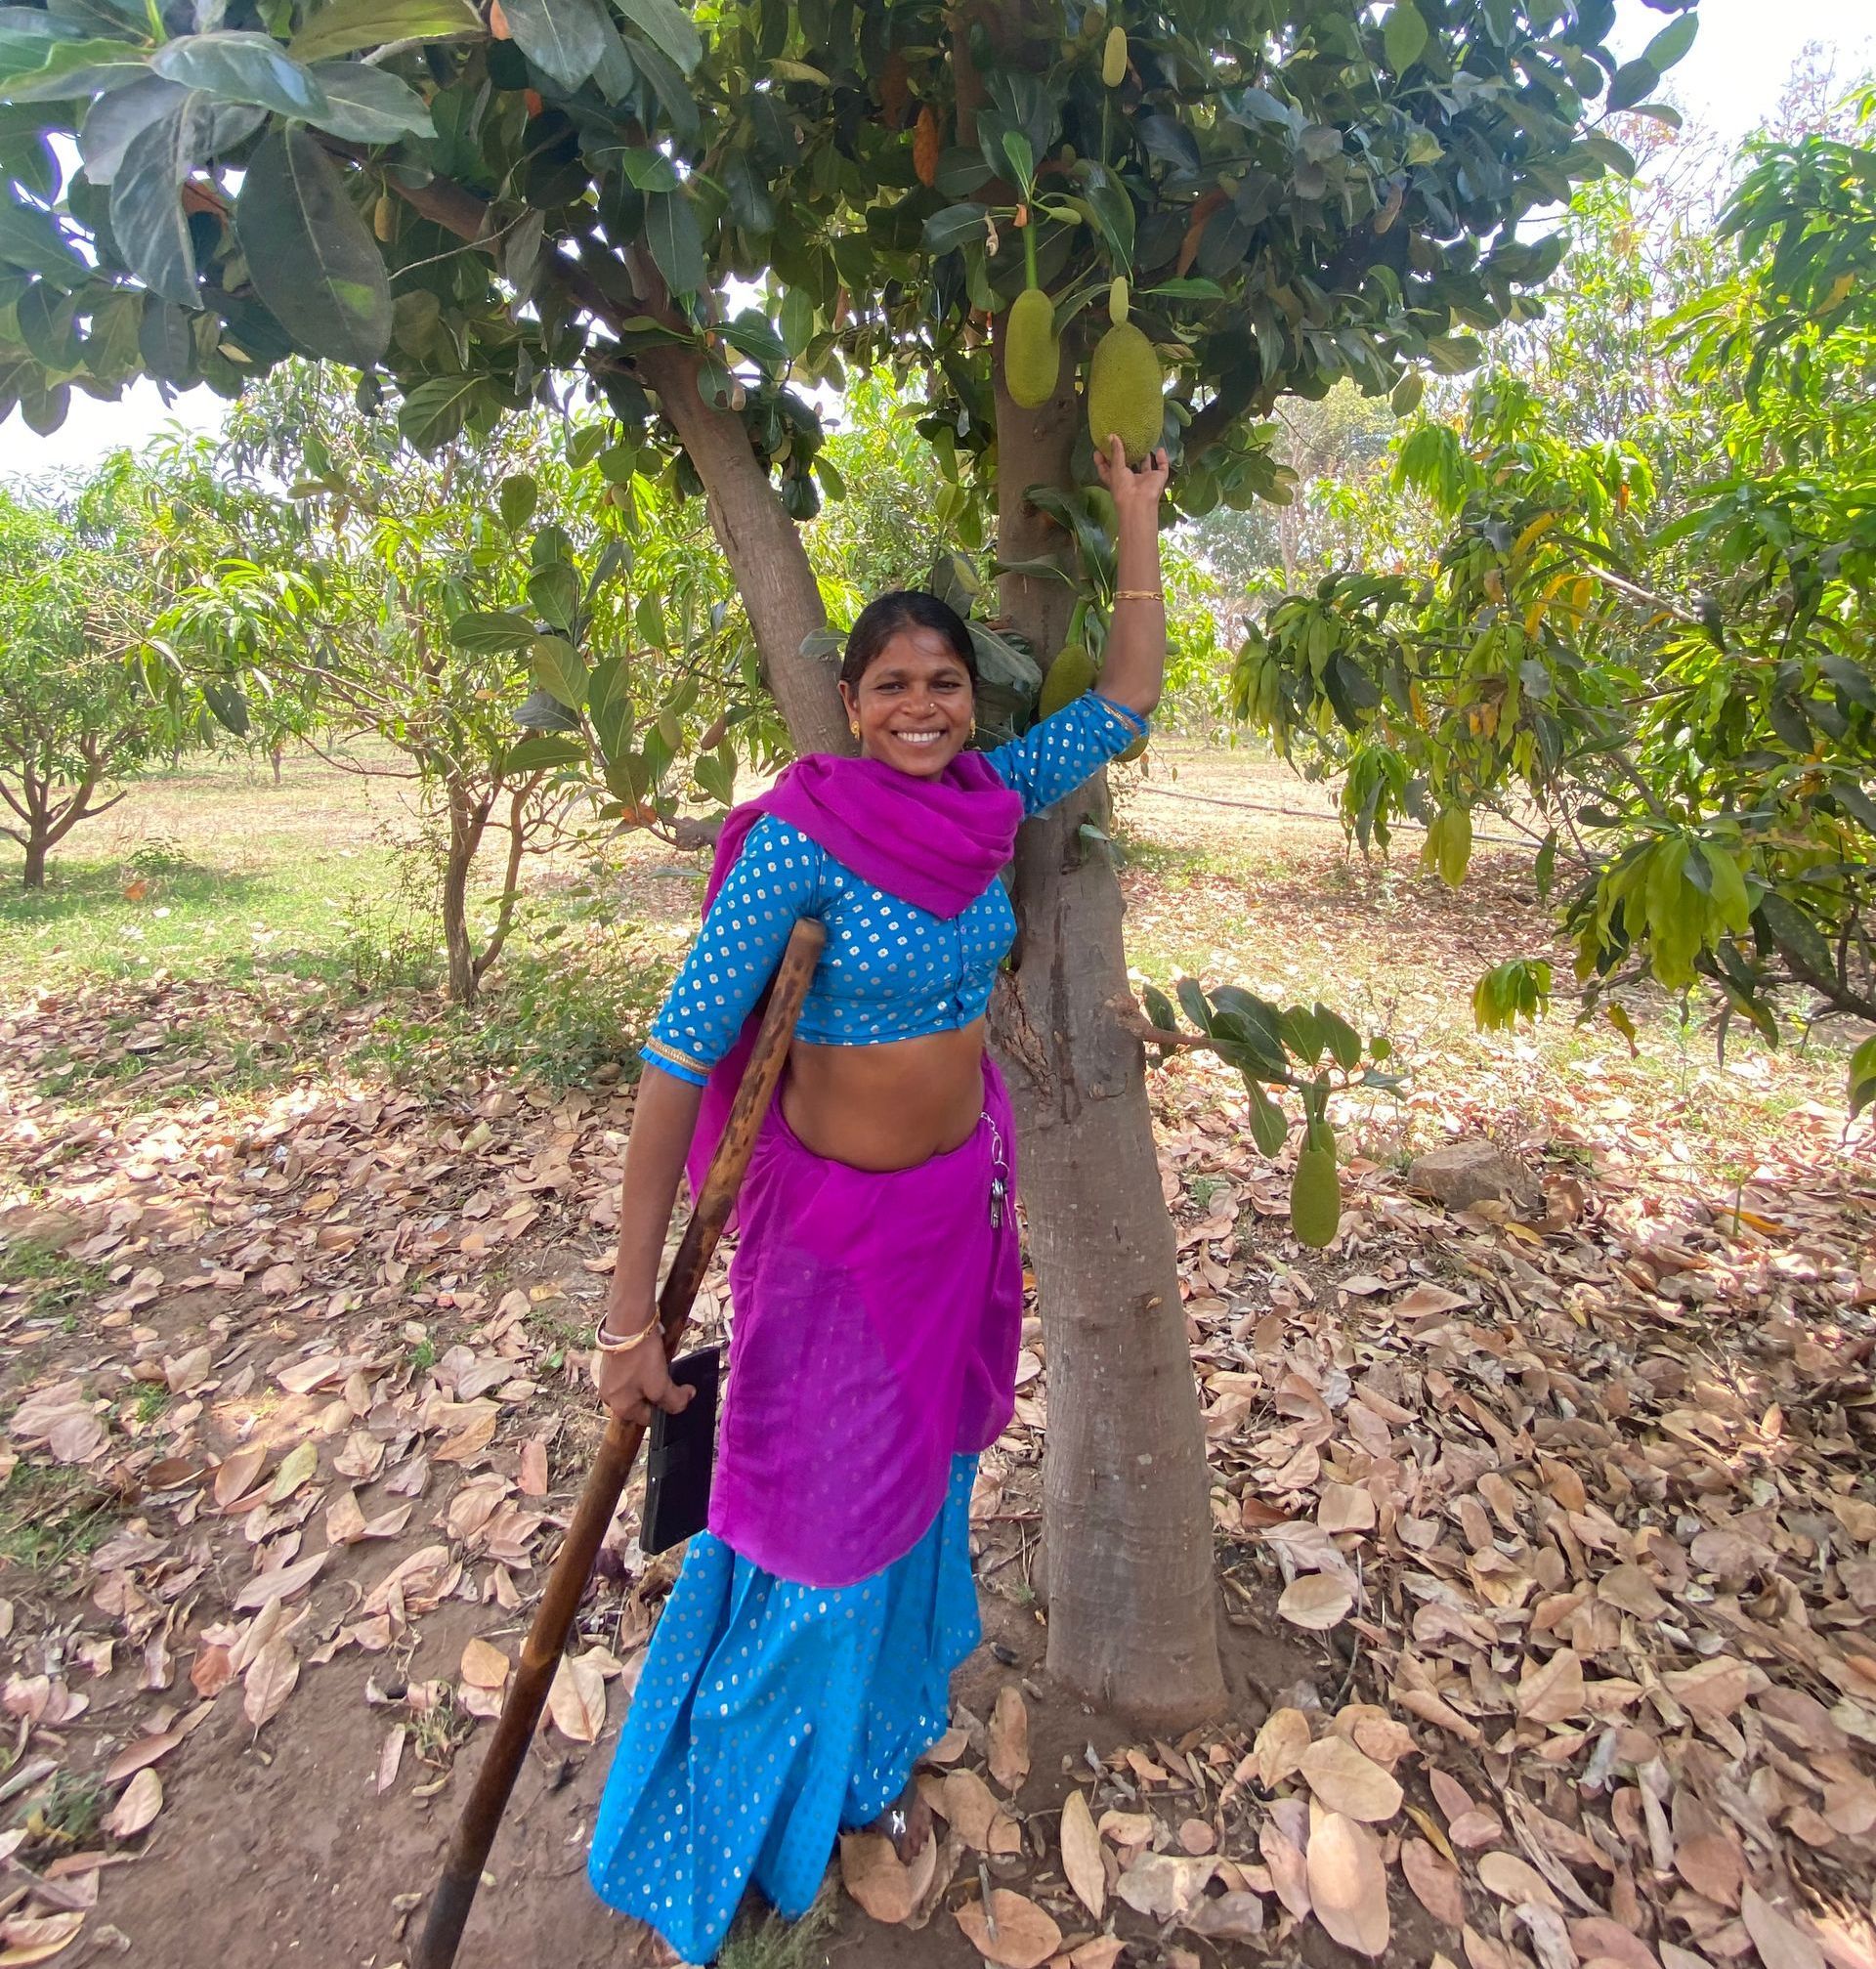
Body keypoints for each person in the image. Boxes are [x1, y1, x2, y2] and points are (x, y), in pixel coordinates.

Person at [586, 437, 1171, 1961]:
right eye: (895, 686)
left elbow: (1123, 701)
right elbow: (673, 1066)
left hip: (951, 1227)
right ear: (850, 706)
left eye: (948, 684)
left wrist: (1134, 517)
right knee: (812, 1527)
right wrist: (622, 1311)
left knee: (913, 1506)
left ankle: (861, 1767)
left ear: (975, 705)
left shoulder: (988, 802)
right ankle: (741, 1815)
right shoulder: (798, 842)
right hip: (830, 1252)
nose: (925, 709)